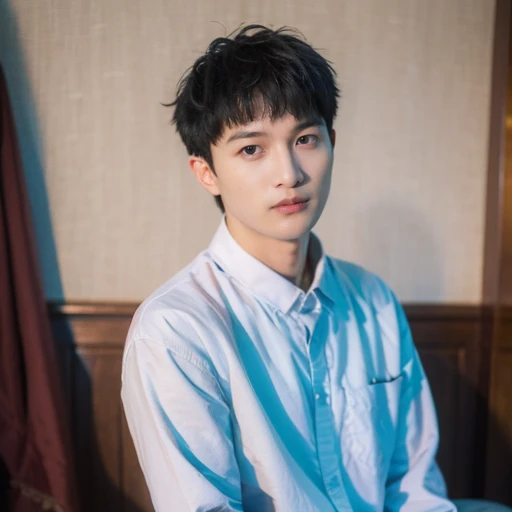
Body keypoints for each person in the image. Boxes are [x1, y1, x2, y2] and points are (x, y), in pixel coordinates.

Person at [121, 24, 456, 511]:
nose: (289, 174)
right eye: (251, 149)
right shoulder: (175, 332)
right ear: (206, 172)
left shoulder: (374, 300)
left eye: (305, 139)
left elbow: (414, 488)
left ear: (332, 142)